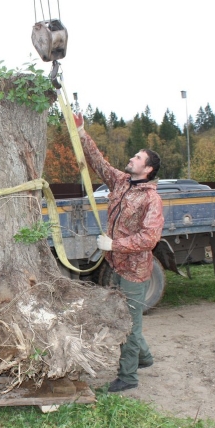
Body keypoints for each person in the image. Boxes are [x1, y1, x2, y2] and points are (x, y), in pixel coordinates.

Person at [74, 113, 164, 392]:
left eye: (138, 157)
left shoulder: (151, 198)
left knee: (129, 323)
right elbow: (99, 163)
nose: (132, 159)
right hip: (116, 264)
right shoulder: (122, 181)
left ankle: (128, 377)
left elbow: (149, 238)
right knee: (127, 316)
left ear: (147, 169)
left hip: (135, 271)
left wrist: (115, 245)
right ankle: (145, 358)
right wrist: (81, 133)